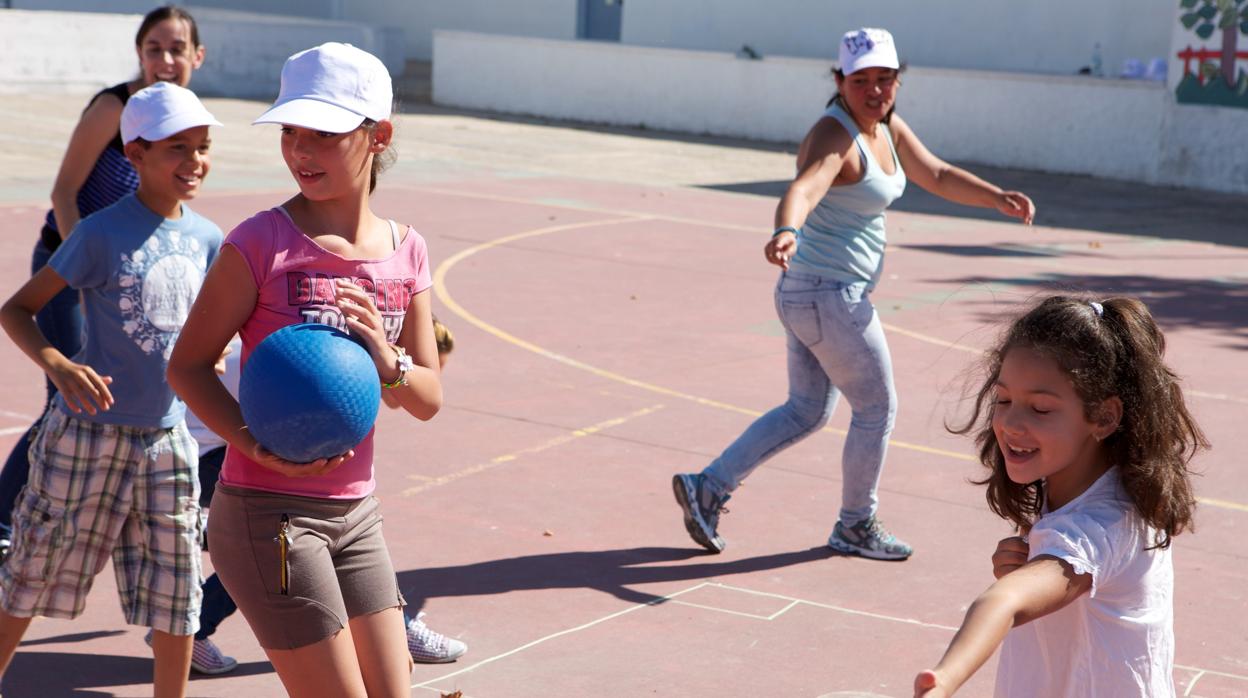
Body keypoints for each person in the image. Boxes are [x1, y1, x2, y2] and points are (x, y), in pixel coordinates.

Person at [672, 27, 1036, 559]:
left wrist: (994, 197)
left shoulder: (886, 127)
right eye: (860, 79)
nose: (874, 90)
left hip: (809, 295)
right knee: (877, 408)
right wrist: (785, 229)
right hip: (828, 296)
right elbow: (805, 186)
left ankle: (708, 487)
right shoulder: (834, 136)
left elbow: (934, 172)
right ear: (839, 80)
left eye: (884, 79)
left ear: (897, 81)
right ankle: (855, 525)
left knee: (806, 410)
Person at [166, 43, 442, 698]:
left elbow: (428, 398)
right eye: (291, 131)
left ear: (378, 136)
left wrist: (387, 357)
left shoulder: (408, 253)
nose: (301, 151)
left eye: (324, 133)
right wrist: (251, 441)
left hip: (357, 514)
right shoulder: (261, 242)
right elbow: (188, 367)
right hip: (270, 519)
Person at [0, 82, 223, 698]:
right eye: (177, 148)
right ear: (135, 155)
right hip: (87, 437)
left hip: (167, 440)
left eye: (202, 148)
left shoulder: (208, 239)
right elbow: (17, 310)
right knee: (31, 572)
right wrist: (60, 365)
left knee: (179, 589)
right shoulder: (99, 233)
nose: (194, 161)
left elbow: (204, 326)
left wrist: (218, 347)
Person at [913, 295, 1206, 697]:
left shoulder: (1100, 524)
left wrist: (945, 679)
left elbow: (1005, 601)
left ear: (1104, 417)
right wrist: (1030, 564)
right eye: (1004, 400)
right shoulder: (1079, 483)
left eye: (1041, 409)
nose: (1012, 422)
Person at [0, 4, 207, 561]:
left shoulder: (185, 126)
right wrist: (91, 275)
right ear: (138, 55)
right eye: (153, 49)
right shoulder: (114, 109)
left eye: (176, 49)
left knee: (116, 392)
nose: (165, 59)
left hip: (127, 274)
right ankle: (6, 521)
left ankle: (115, 510)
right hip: (72, 262)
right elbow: (65, 190)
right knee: (67, 391)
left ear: (197, 57)